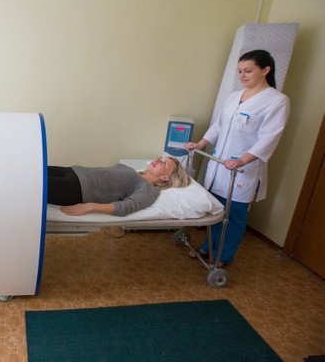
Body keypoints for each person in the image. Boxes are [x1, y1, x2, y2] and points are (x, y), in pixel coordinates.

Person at [185, 49, 290, 266]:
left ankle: (223, 256)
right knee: (215, 210)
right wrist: (201, 143)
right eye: (240, 71)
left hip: (242, 170)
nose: (242, 75)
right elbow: (219, 125)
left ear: (266, 70)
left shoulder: (277, 101)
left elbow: (269, 137)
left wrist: (243, 160)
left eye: (248, 71)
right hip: (220, 165)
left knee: (232, 216)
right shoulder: (234, 97)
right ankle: (208, 245)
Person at [47, 156, 190, 217]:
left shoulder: (149, 190)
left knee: (33, 187)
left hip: (76, 189)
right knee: (34, 170)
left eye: (163, 163)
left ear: (165, 177)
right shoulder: (135, 172)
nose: (158, 160)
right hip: (73, 171)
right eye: (160, 158)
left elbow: (126, 207)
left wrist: (90, 206)